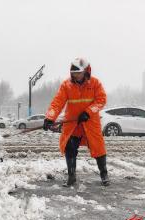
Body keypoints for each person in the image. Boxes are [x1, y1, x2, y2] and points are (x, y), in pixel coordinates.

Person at [43, 57, 110, 186]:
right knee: (70, 148)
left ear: (85, 71)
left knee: (98, 148)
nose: (76, 75)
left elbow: (101, 100)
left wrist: (88, 112)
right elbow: (57, 103)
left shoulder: (95, 83)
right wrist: (50, 117)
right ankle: (71, 176)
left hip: (90, 121)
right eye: (73, 73)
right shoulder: (66, 85)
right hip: (72, 123)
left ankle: (104, 173)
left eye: (78, 72)